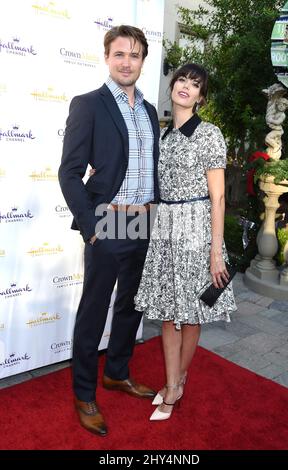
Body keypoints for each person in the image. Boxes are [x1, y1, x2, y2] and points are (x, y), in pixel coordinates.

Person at [58, 25, 160, 436]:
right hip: (109, 219)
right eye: (119, 54)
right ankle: (84, 393)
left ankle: (116, 371)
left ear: (142, 61)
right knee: (94, 309)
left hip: (144, 219)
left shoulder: (150, 111)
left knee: (131, 305)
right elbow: (69, 173)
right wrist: (93, 225)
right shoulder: (89, 105)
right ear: (107, 57)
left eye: (134, 56)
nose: (126, 62)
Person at [134, 63, 237, 421]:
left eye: (195, 85)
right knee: (166, 313)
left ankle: (175, 386)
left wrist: (215, 251)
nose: (186, 87)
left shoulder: (208, 133)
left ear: (200, 97)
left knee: (191, 314)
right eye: (182, 80)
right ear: (172, 85)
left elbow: (219, 197)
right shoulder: (163, 135)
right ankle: (174, 378)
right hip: (166, 228)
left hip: (197, 229)